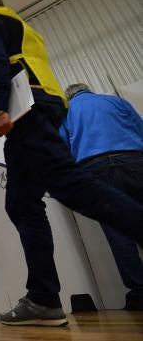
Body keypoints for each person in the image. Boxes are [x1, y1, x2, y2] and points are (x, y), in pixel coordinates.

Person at [0, 2, 143, 326]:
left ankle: (43, 298)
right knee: (22, 204)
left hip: (30, 112)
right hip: (35, 109)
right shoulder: (4, 22)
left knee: (74, 188)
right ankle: (42, 299)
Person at [59, 83, 143, 311]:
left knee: (118, 232)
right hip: (135, 161)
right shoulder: (115, 101)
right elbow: (140, 127)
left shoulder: (67, 113)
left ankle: (139, 293)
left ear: (68, 96)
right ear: (89, 90)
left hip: (95, 169)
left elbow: (63, 149)